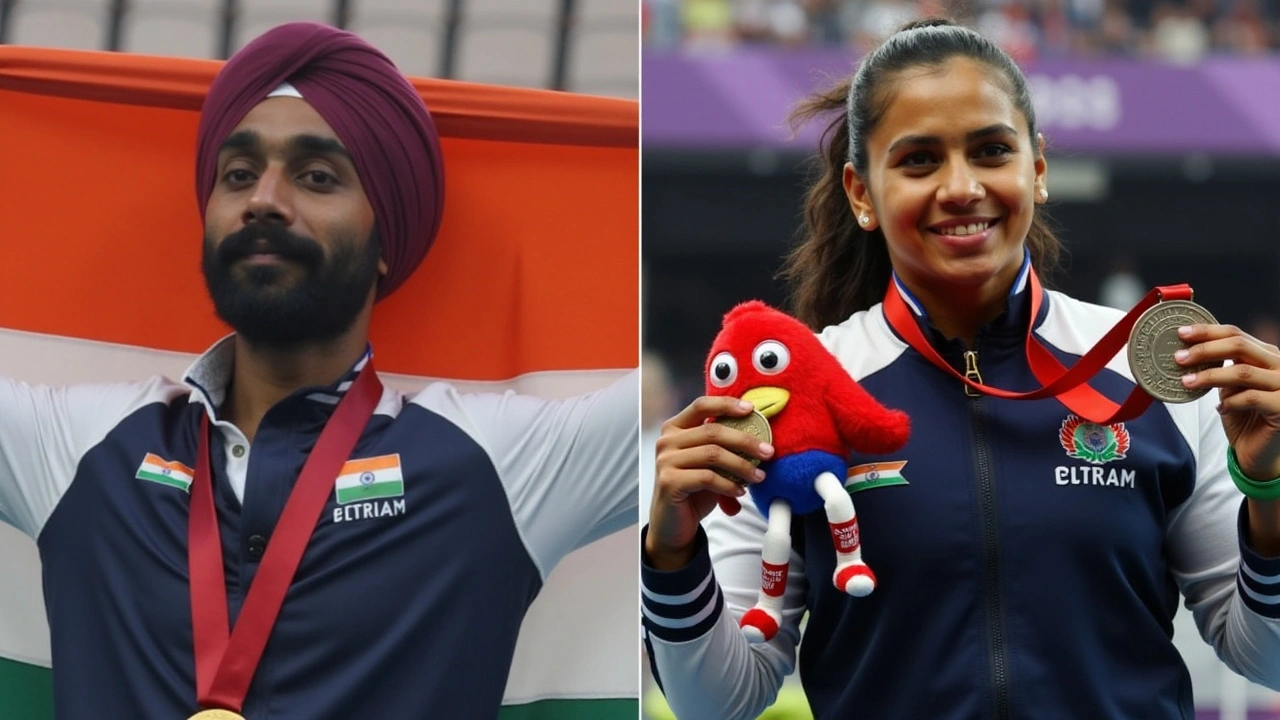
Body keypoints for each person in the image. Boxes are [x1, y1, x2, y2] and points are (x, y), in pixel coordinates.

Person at [641, 18, 1280, 720]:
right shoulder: (795, 395)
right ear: (861, 193)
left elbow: (1265, 658)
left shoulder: (1150, 369)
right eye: (918, 160)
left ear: (1036, 170)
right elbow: (716, 703)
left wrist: (1272, 489)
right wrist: (672, 552)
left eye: (991, 151)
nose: (961, 186)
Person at [0, 21, 637, 719]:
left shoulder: (495, 463)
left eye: (317, 176)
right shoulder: (80, 447)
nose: (264, 199)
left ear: (386, 236)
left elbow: (760, 405)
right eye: (238, 174)